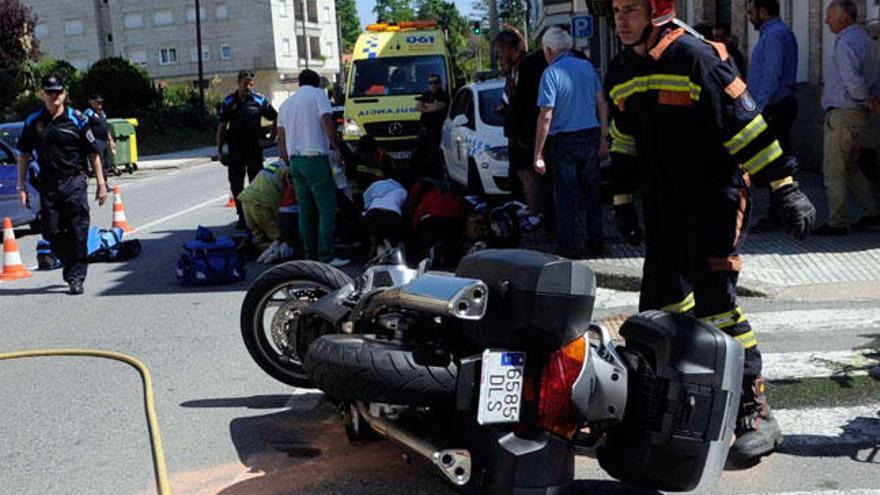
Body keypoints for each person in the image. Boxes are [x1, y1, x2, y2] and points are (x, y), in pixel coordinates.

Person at [606, 0, 816, 462]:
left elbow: (749, 127)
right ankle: (661, 410)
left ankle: (755, 409)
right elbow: (624, 137)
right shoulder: (622, 69)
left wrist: (784, 186)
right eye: (616, 10)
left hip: (714, 202)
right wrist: (621, 200)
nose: (620, 19)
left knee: (716, 305)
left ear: (657, 11)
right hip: (664, 207)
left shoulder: (698, 59)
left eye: (630, 10)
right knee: (660, 309)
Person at [15, 74, 108, 295]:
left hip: (74, 180)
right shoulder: (34, 122)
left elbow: (93, 153)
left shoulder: (76, 119)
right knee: (51, 232)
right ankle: (71, 262)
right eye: (49, 92)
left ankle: (76, 277)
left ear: (64, 94)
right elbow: (24, 155)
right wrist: (21, 186)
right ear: (43, 94)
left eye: (57, 92)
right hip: (48, 184)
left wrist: (102, 184)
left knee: (78, 230)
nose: (53, 96)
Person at [533, 26, 608, 259]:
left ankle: (568, 248)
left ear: (548, 50)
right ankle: (596, 244)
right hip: (590, 136)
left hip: (564, 142)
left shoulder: (551, 73)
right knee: (593, 197)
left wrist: (538, 153)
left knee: (565, 198)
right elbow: (601, 104)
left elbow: (546, 115)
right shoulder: (587, 67)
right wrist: (603, 139)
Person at [814, 0, 880, 235]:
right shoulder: (866, 41)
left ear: (843, 17)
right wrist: (871, 99)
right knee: (851, 166)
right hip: (858, 114)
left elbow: (853, 82)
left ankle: (837, 222)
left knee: (834, 168)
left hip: (843, 113)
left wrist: (865, 98)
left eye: (829, 16)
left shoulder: (845, 44)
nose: (826, 21)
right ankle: (872, 211)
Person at [277, 69, 349, 267]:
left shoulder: (285, 105)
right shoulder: (318, 95)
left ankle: (310, 256)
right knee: (327, 208)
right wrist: (337, 147)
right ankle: (326, 255)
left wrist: (288, 164)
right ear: (317, 83)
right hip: (315, 158)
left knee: (306, 210)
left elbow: (281, 140)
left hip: (296, 163)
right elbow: (327, 122)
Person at [747, 0, 800, 232]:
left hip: (774, 107)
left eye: (751, 12)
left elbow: (771, 75)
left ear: (763, 11)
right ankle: (779, 212)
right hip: (774, 105)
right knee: (774, 160)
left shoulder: (776, 35)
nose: (750, 18)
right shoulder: (773, 33)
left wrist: (757, 109)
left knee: (774, 161)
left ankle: (781, 213)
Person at [494, 29, 549, 233]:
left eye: (500, 52)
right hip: (520, 133)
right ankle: (532, 209)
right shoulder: (516, 68)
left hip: (526, 134)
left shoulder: (526, 67)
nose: (498, 58)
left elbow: (526, 102)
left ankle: (535, 215)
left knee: (529, 175)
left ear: (510, 48)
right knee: (523, 174)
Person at [217, 70, 278, 229]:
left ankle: (256, 217)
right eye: (245, 83)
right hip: (235, 150)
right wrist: (219, 149)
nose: (248, 86)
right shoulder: (229, 102)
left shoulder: (259, 100)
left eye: (251, 83)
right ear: (238, 82)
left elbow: (276, 117)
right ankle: (242, 217)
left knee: (256, 184)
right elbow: (222, 127)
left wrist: (271, 139)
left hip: (254, 149)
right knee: (236, 185)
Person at [414, 74, 450, 178]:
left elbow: (436, 107)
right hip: (424, 131)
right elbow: (418, 106)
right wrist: (428, 107)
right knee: (419, 157)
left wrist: (426, 106)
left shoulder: (444, 95)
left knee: (433, 158)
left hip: (437, 132)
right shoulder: (426, 94)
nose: (433, 85)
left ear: (440, 83)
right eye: (430, 83)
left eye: (435, 82)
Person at [83, 94, 116, 178]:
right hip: (96, 141)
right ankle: (100, 185)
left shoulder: (102, 113)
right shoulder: (88, 113)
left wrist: (111, 141)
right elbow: (85, 128)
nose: (100, 104)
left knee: (106, 163)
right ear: (91, 102)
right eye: (98, 102)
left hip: (104, 141)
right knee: (99, 163)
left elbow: (105, 127)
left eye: (101, 102)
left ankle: (105, 184)